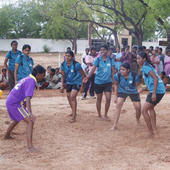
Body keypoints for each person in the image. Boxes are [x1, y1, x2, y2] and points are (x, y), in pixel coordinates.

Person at [4, 65, 46, 152]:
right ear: (38, 74)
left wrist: (25, 109)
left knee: (16, 119)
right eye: (43, 75)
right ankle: (30, 147)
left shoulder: (28, 78)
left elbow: (23, 94)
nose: (44, 76)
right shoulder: (31, 81)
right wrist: (29, 113)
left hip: (11, 101)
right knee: (30, 121)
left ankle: (6, 135)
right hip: (14, 103)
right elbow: (27, 98)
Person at [137, 52, 166, 137]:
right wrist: (144, 88)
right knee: (150, 108)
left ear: (144, 59)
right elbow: (152, 80)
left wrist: (153, 93)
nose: (137, 60)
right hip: (159, 90)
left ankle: (151, 132)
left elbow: (156, 79)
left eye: (139, 58)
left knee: (144, 110)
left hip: (157, 91)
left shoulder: (145, 67)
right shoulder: (147, 66)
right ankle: (154, 129)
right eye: (137, 58)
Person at [84, 45, 115, 120]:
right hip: (98, 82)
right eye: (101, 50)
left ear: (107, 51)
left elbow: (113, 71)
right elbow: (93, 69)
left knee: (108, 98)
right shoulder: (98, 59)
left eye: (104, 50)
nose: (102, 51)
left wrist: (114, 81)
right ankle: (99, 114)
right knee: (99, 99)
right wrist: (88, 77)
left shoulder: (110, 60)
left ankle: (106, 114)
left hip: (108, 82)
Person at [111, 63, 141, 130]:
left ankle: (137, 120)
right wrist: (115, 95)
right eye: (120, 69)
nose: (121, 71)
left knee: (138, 107)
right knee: (118, 105)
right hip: (122, 91)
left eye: (123, 70)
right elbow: (115, 85)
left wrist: (139, 89)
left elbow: (137, 85)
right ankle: (115, 125)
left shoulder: (134, 75)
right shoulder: (117, 75)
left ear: (128, 70)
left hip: (133, 91)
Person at [60, 51, 86, 123]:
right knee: (68, 96)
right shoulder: (63, 64)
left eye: (69, 56)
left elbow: (83, 75)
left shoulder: (77, 65)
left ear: (72, 57)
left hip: (77, 82)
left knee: (72, 97)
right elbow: (63, 75)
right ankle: (73, 111)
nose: (67, 57)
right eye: (66, 56)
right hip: (69, 82)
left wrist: (82, 86)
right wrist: (62, 85)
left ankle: (74, 117)